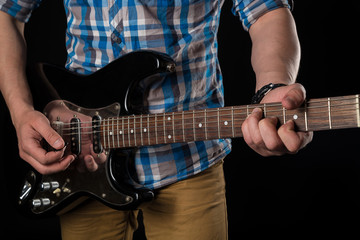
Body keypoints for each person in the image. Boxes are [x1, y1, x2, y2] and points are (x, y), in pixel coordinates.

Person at [0, 0, 313, 239]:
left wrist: (272, 85)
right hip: (80, 160)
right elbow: (7, 12)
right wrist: (20, 110)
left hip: (189, 158)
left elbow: (266, 11)